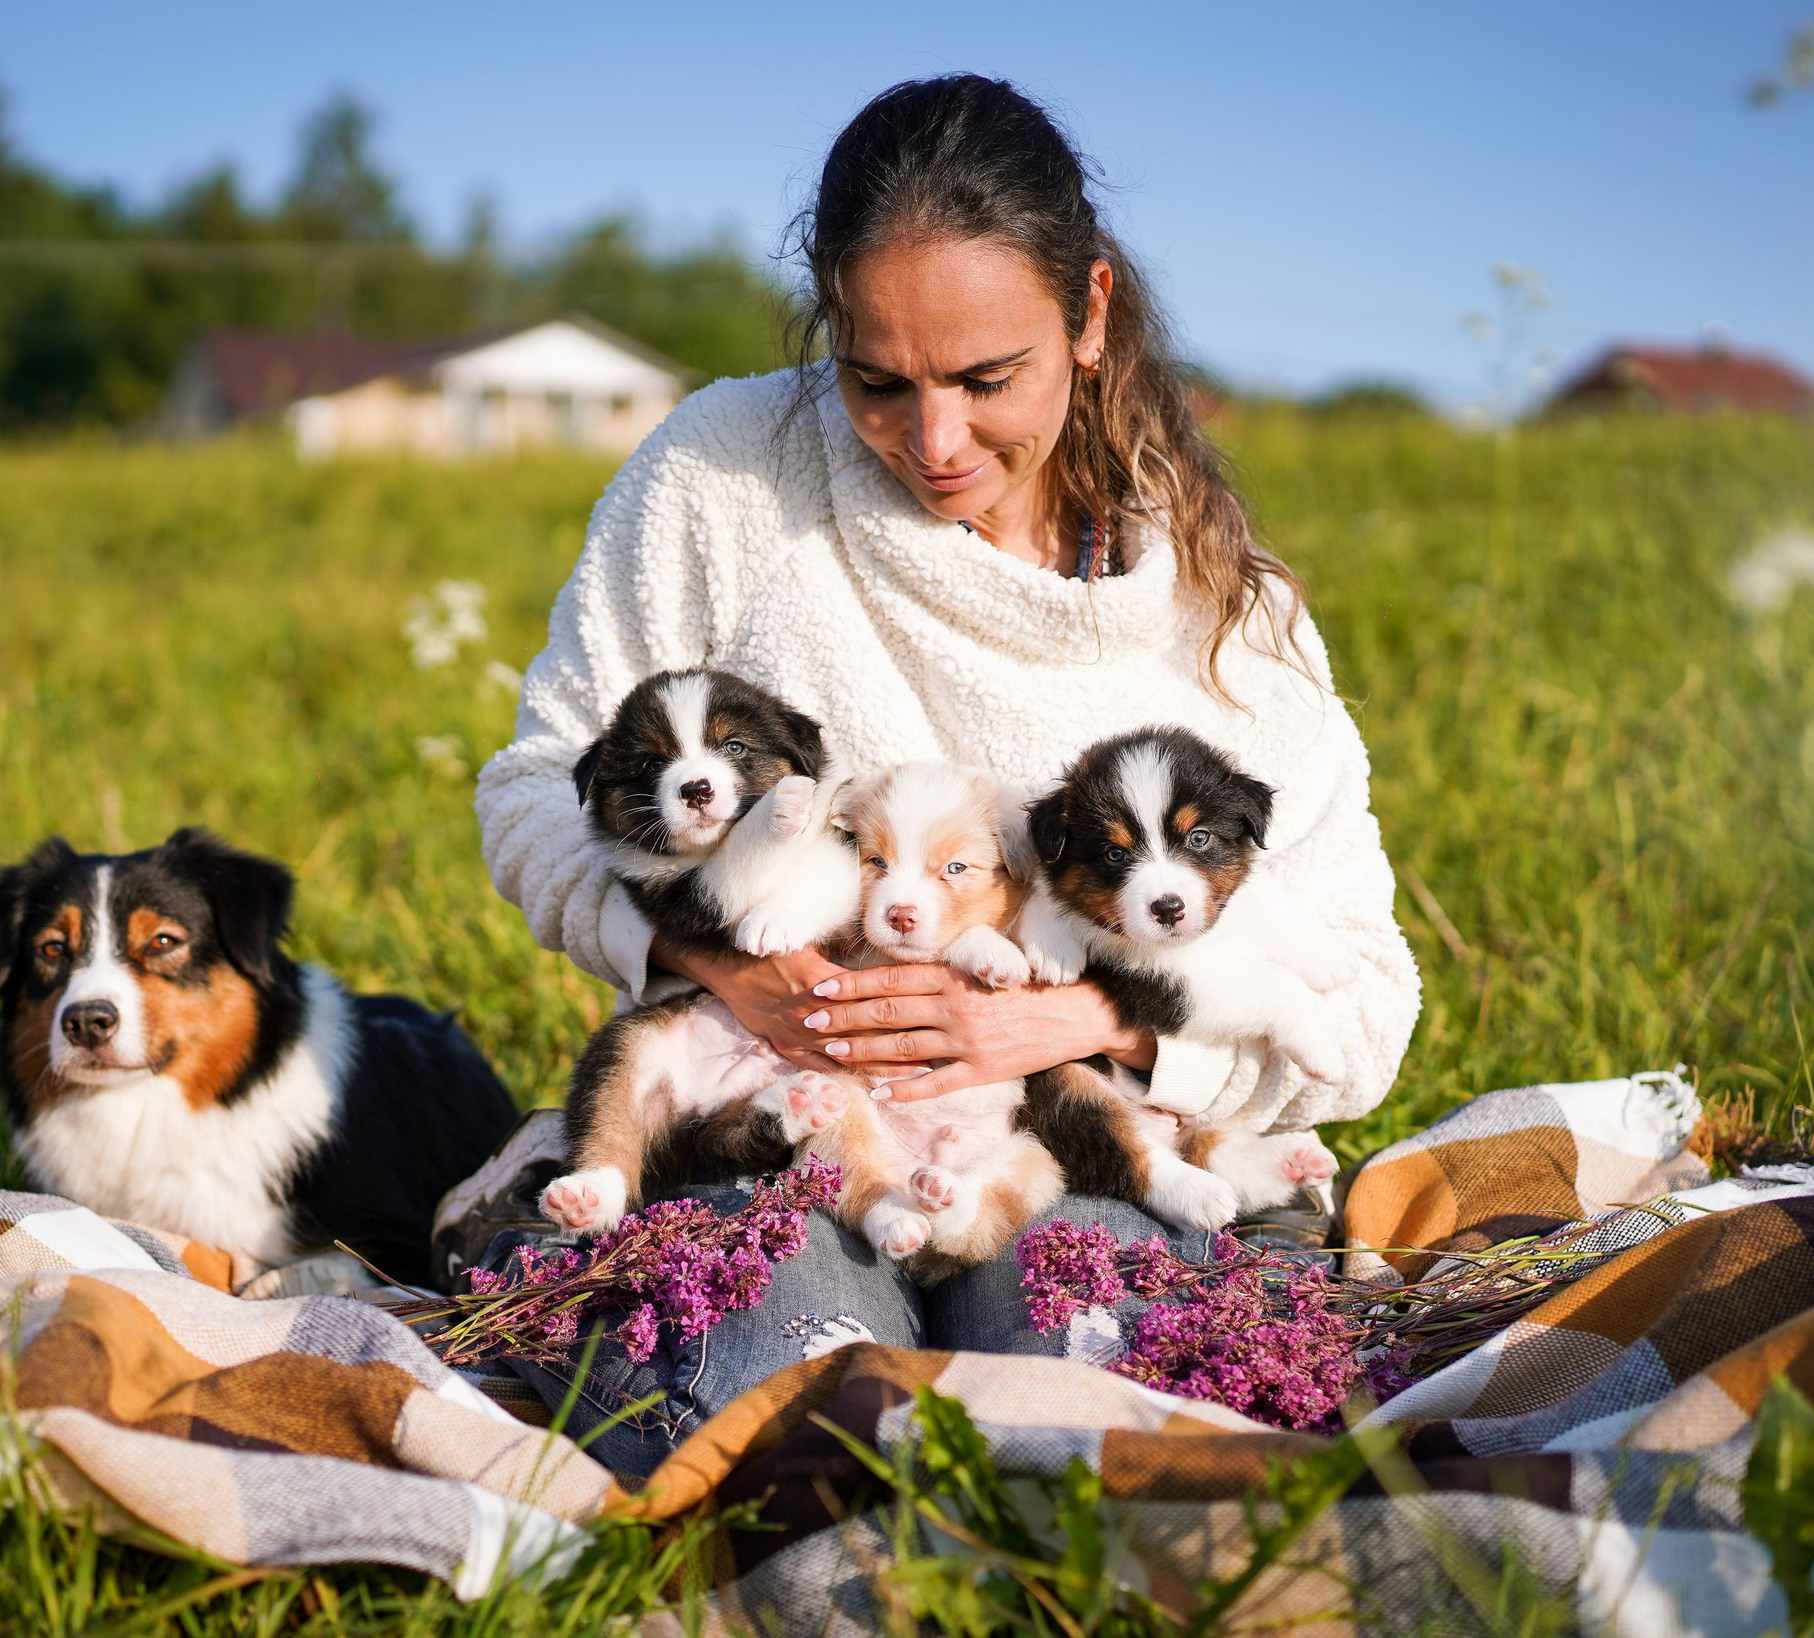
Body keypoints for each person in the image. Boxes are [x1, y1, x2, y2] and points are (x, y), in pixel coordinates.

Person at [474, 74, 1420, 1474]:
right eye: (877, 380)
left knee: (1100, 1380)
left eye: (988, 381)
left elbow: (1368, 995)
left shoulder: (1228, 619)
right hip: (767, 1136)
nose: (934, 443)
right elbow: (535, 784)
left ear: (1091, 314)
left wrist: (1076, 1029)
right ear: (827, 328)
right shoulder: (721, 481)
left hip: (1070, 1148)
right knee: (760, 1393)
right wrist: (710, 959)